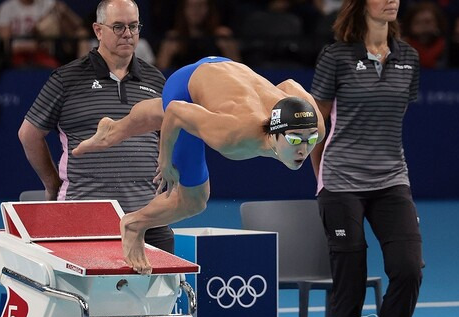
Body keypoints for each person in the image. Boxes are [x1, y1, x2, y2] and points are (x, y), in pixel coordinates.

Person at [73, 56, 325, 275]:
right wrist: (165, 158)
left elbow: (289, 85)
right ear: (275, 133)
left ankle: (113, 129)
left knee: (188, 114)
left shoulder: (315, 125)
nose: (304, 148)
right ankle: (133, 225)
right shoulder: (234, 134)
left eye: (310, 139)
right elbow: (175, 111)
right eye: (294, 139)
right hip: (187, 85)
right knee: (194, 200)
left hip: (225, 72)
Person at [17, 0, 173, 317]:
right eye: (119, 27)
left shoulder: (155, 78)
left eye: (134, 26)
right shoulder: (66, 78)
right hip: (85, 222)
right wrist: (50, 183)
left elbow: (172, 132)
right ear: (98, 30)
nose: (128, 34)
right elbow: (28, 134)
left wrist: (169, 159)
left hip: (149, 219)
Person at [309, 0, 424, 317]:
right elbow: (318, 122)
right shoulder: (335, 57)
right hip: (341, 182)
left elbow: (395, 117)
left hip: (392, 180)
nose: (391, 0)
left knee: (409, 269)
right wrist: (323, 180)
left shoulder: (410, 58)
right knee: (350, 285)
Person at [155, 0, 241, 69]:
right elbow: (160, 74)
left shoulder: (221, 36)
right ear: (183, 9)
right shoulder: (174, 38)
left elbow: (240, 72)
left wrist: (229, 49)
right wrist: (167, 54)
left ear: (209, 8)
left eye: (201, 5)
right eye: (191, 6)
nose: (196, 10)